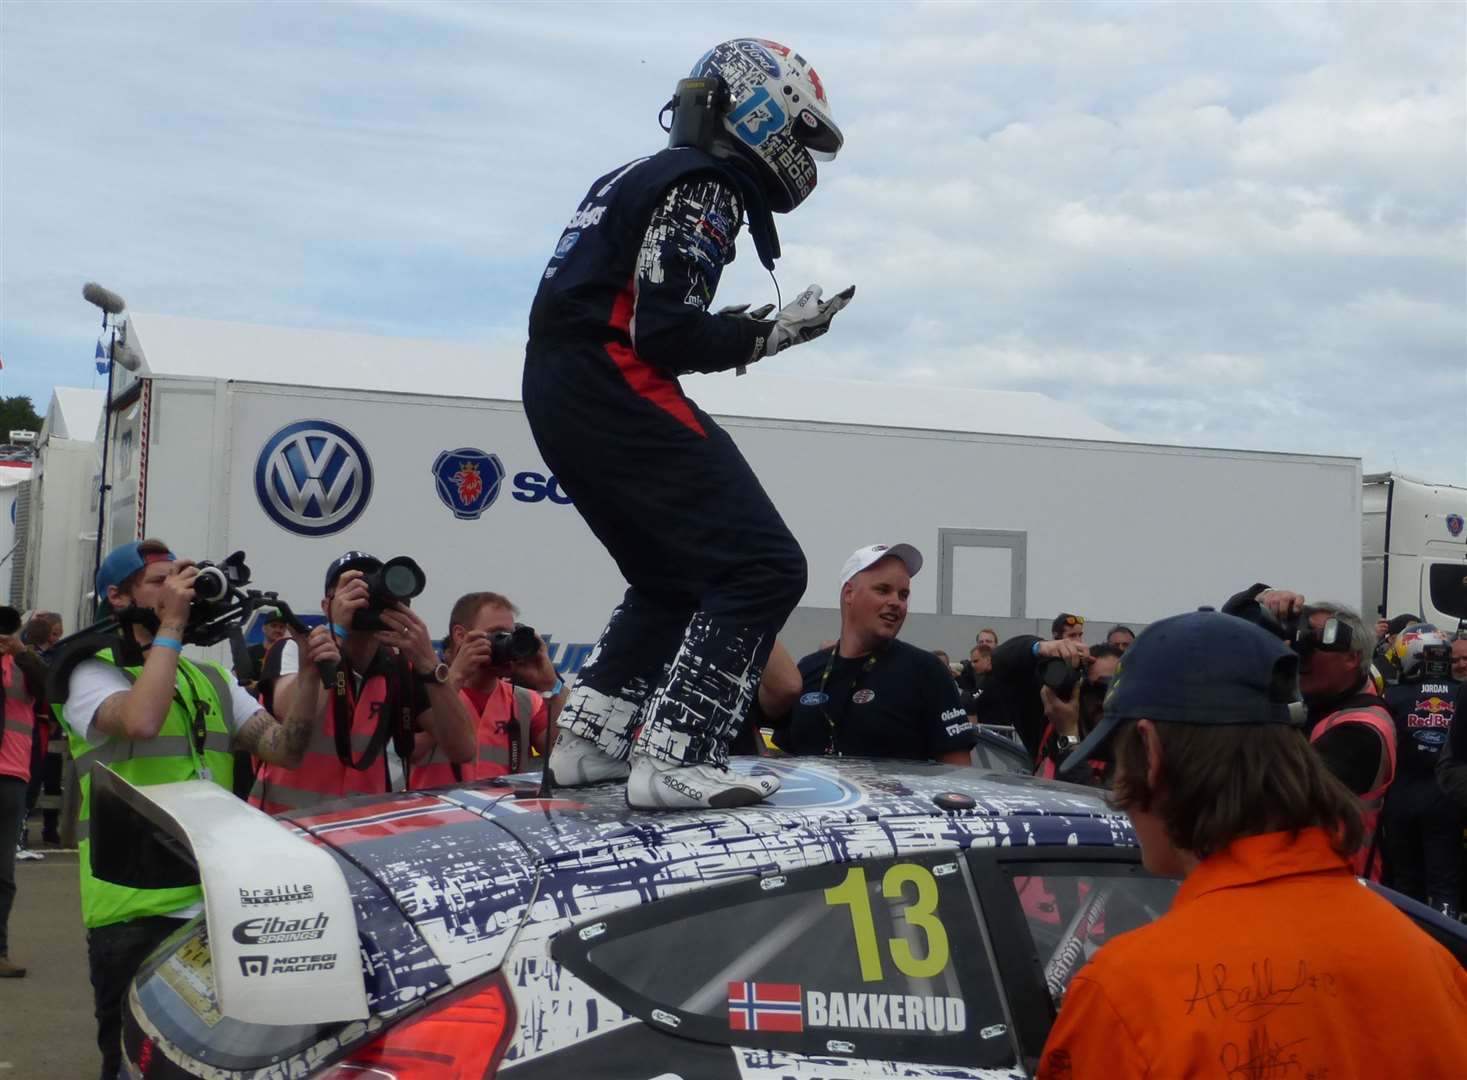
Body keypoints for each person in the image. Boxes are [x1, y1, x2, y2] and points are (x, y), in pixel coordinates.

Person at [526, 38, 853, 810]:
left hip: (556, 384)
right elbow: (664, 334)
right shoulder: (705, 183)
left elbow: (632, 307)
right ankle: (678, 755)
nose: (802, 155)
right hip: (611, 382)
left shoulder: (628, 175)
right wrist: (776, 332)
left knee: (668, 580)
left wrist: (732, 328)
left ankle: (588, 744)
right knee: (763, 567)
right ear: (763, 110)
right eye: (799, 133)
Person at [1036, 611, 1467, 1079]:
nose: (1119, 788)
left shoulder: (1126, 992)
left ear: (1151, 752)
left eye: (1117, 759)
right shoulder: (1434, 969)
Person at [52, 540, 326, 1080]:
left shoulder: (211, 681)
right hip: (135, 910)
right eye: (159, 581)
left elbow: (286, 748)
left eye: (182, 578)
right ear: (117, 596)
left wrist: (312, 676)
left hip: (219, 906)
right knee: (135, 1065)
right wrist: (173, 627)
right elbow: (140, 722)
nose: (176, 589)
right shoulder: (87, 673)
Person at [250, 552, 475, 815]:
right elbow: (290, 713)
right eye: (352, 590)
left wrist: (430, 666)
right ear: (326, 606)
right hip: (289, 829)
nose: (364, 599)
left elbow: (463, 749)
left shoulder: (401, 666)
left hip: (360, 834)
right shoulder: (295, 649)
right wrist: (337, 636)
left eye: (372, 591)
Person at [1223, 585, 1396, 879]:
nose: (1301, 653)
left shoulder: (1363, 729)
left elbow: (1271, 798)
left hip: (1336, 889)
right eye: (1296, 637)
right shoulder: (1316, 707)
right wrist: (1255, 601)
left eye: (1313, 642)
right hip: (1297, 879)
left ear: (1352, 658)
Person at [764, 544, 974, 765]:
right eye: (883, 590)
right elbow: (782, 760)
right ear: (849, 593)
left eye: (903, 595)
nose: (896, 602)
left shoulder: (926, 671)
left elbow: (958, 775)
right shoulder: (808, 669)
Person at [412, 592, 565, 786]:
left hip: (502, 814)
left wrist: (551, 684)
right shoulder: (428, 690)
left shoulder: (527, 701)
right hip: (439, 814)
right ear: (460, 636)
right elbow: (413, 751)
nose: (506, 643)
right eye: (497, 634)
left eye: (511, 635)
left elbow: (565, 753)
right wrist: (455, 678)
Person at [1380, 624, 1460, 915]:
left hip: (1402, 797)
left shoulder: (1393, 696)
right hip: (1446, 798)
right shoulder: (1460, 693)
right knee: (1445, 882)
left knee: (1405, 883)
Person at [0, 619, 47, 977]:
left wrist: (22, 653)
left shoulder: (24, 663)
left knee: (3, 872)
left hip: (12, 774)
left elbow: (51, 687)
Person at [1033, 643, 1121, 785]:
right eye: (1094, 690)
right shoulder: (1052, 726)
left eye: (1110, 687)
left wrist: (1068, 736)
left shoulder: (1134, 750)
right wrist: (1040, 647)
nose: (1103, 701)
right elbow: (1003, 662)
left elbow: (1090, 803)